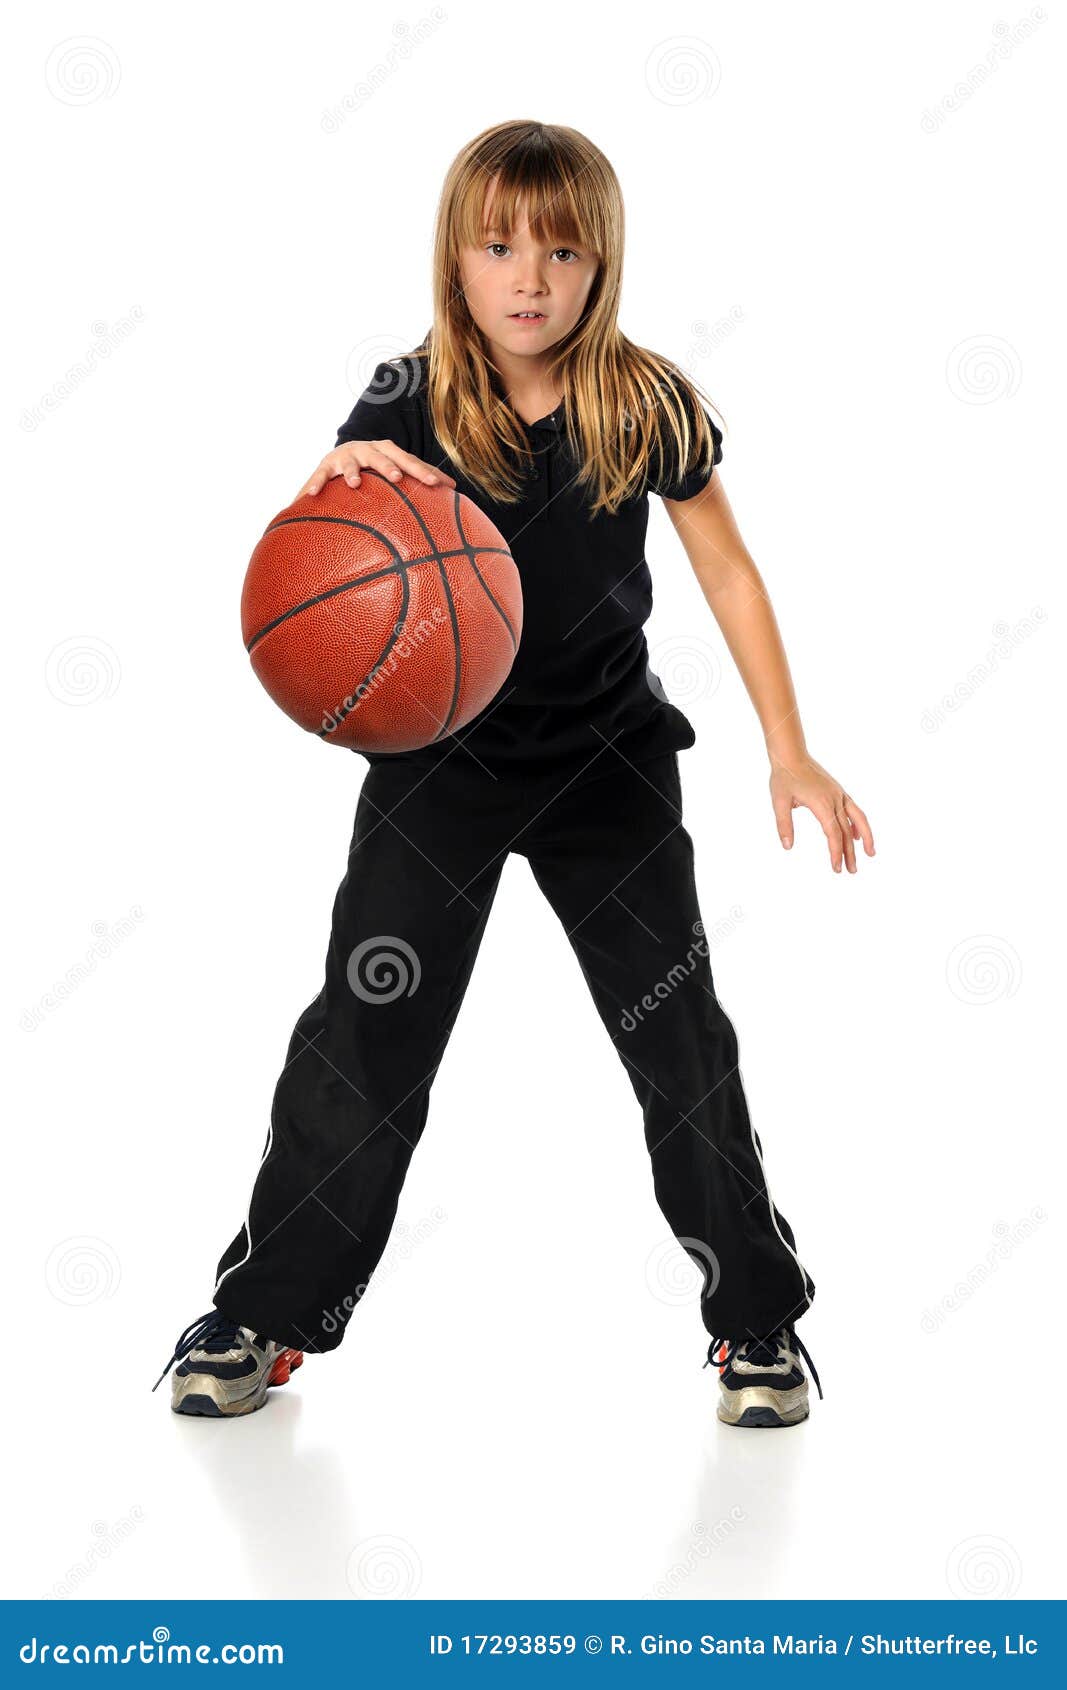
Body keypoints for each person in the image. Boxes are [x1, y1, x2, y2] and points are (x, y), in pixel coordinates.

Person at [152, 119, 873, 1428]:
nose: (528, 276)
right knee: (365, 1032)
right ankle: (262, 1311)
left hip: (608, 763)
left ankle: (757, 1324)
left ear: (602, 265)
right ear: (457, 259)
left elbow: (725, 568)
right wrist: (331, 473)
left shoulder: (644, 397)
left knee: (680, 1037)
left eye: (560, 249)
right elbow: (336, 503)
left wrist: (790, 746)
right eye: (497, 247)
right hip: (445, 765)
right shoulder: (413, 389)